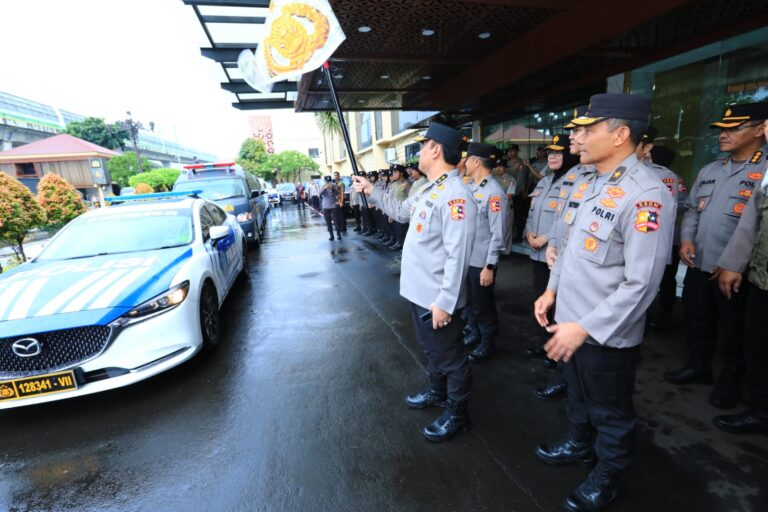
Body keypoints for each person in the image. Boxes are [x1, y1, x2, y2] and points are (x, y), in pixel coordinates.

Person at [533, 93, 674, 511]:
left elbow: (642, 284)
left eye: (589, 129)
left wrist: (586, 328)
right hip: (570, 321)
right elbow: (569, 247)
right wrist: (551, 290)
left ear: (620, 134)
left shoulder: (647, 194)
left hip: (606, 333)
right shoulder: (589, 181)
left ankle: (609, 472)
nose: (576, 137)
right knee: (578, 395)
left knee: (610, 410)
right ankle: (580, 443)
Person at [352, 122, 476, 442]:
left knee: (451, 357)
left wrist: (445, 302)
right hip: (420, 291)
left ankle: (457, 413)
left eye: (422, 146)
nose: (419, 152)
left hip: (437, 298)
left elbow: (458, 255)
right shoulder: (427, 188)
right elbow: (399, 211)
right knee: (432, 349)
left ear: (436, 150)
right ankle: (437, 391)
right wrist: (371, 189)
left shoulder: (456, 195)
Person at [663, 103, 768, 410]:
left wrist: (735, 263)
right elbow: (692, 210)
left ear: (760, 130)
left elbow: (758, 227)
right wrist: (686, 239)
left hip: (738, 271)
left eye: (733, 128)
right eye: (721, 129)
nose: (723, 134)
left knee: (734, 330)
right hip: (700, 262)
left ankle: (731, 382)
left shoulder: (764, 171)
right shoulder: (710, 170)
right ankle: (698, 367)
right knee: (696, 317)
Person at [715, 119, 768, 434]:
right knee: (757, 345)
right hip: (762, 278)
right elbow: (752, 220)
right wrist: (734, 264)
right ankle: (760, 410)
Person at [524, 133, 579, 399]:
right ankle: (548, 345)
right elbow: (531, 213)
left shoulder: (576, 181)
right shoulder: (545, 180)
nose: (553, 156)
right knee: (541, 301)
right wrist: (528, 234)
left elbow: (564, 220)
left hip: (556, 255)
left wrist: (547, 239)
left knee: (560, 308)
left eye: (559, 152)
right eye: (550, 153)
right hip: (538, 253)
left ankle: (559, 354)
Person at [636, 127, 685, 330]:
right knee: (665, 279)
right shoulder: (674, 177)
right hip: (668, 237)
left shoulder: (654, 174)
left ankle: (652, 317)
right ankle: (662, 315)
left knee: (649, 279)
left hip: (652, 235)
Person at [462, 142, 508, 361]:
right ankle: (475, 332)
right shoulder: (470, 187)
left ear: (476, 162)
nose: (464, 163)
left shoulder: (494, 193)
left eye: (467, 159)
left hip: (482, 262)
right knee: (470, 302)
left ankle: (487, 341)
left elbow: (498, 235)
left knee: (483, 305)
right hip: (467, 259)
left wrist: (489, 266)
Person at [388, 164, 410, 251]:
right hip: (395, 211)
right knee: (397, 229)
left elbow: (410, 199)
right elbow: (391, 199)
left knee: (404, 230)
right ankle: (398, 242)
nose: (393, 174)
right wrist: (390, 213)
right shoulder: (393, 185)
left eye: (395, 172)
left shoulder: (407, 184)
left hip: (404, 212)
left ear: (401, 173)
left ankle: (404, 247)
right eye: (393, 173)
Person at [320, 175, 342, 241]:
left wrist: (333, 188)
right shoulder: (323, 186)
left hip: (333, 205)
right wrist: (324, 188)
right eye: (327, 181)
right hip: (325, 206)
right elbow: (320, 194)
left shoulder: (334, 186)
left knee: (336, 220)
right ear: (325, 181)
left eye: (329, 181)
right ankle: (331, 235)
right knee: (328, 221)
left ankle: (338, 234)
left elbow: (338, 194)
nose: (328, 183)